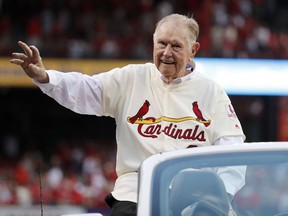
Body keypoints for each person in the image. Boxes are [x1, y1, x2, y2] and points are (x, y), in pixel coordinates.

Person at [11, 13, 245, 216]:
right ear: (152, 43)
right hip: (136, 191)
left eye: (176, 46)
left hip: (194, 195)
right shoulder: (132, 78)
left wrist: (219, 196)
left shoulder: (211, 92)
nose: (166, 53)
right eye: (161, 44)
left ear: (193, 50)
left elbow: (233, 149)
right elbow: (85, 89)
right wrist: (45, 77)